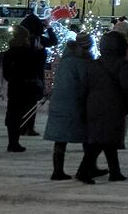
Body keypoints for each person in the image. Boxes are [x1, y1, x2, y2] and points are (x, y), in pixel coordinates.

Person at [76, 29, 128, 183]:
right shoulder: (121, 65)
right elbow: (127, 86)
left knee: (105, 138)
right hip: (113, 105)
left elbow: (85, 85)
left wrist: (84, 105)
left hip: (94, 105)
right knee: (102, 140)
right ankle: (84, 171)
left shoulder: (95, 64)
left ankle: (115, 171)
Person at [44, 34, 91, 180]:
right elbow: (86, 83)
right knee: (88, 136)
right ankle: (88, 167)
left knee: (60, 138)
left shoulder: (66, 60)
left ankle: (57, 170)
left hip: (59, 103)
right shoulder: (82, 61)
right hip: (74, 103)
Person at [1, 26, 45, 150]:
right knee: (23, 113)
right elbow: (37, 67)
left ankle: (12, 141)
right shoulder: (29, 52)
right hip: (27, 87)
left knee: (13, 113)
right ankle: (16, 140)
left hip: (14, 86)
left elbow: (6, 73)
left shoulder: (9, 52)